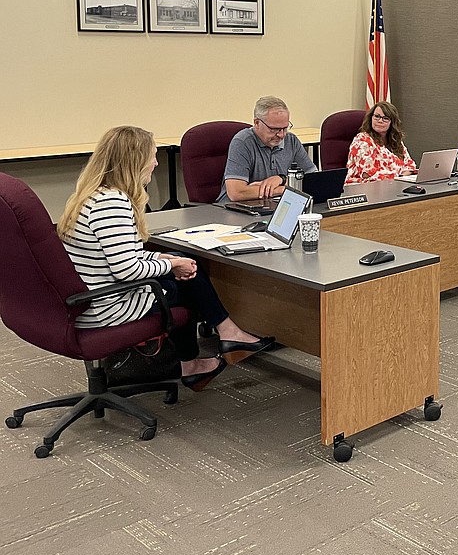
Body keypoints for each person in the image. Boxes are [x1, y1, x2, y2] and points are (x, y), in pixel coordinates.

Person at [58, 126, 275, 391]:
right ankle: (197, 357)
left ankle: (217, 341)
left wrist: (165, 258)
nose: (157, 162)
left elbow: (121, 254)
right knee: (188, 281)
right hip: (109, 305)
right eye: (152, 156)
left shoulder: (94, 194)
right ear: (135, 161)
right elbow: (127, 269)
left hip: (94, 295)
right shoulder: (112, 204)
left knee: (182, 261)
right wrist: (171, 264)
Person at [218, 95, 317, 202]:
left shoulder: (291, 140)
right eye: (274, 129)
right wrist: (283, 189)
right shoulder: (242, 142)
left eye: (285, 128)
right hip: (237, 209)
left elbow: (314, 179)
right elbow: (236, 193)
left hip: (276, 204)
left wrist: (281, 179)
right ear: (257, 123)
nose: (282, 135)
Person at [345, 101, 418, 184]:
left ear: (392, 122)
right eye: (377, 116)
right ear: (371, 118)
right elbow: (368, 174)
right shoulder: (362, 140)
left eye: (385, 118)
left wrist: (401, 178)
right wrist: (399, 178)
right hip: (364, 188)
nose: (380, 121)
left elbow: (410, 166)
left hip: (395, 186)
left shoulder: (396, 141)